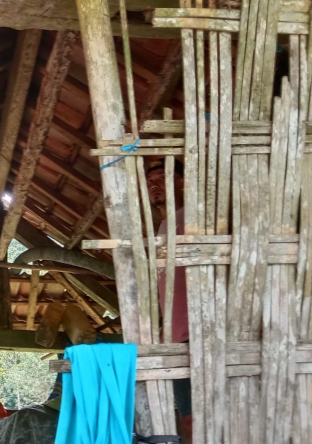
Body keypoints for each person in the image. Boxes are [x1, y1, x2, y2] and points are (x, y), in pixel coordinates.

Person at [146, 158, 192, 443]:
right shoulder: (163, 229)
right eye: (149, 181)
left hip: (200, 336)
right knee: (188, 421)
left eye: (161, 176)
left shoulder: (195, 220)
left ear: (182, 181)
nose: (153, 185)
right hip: (176, 340)